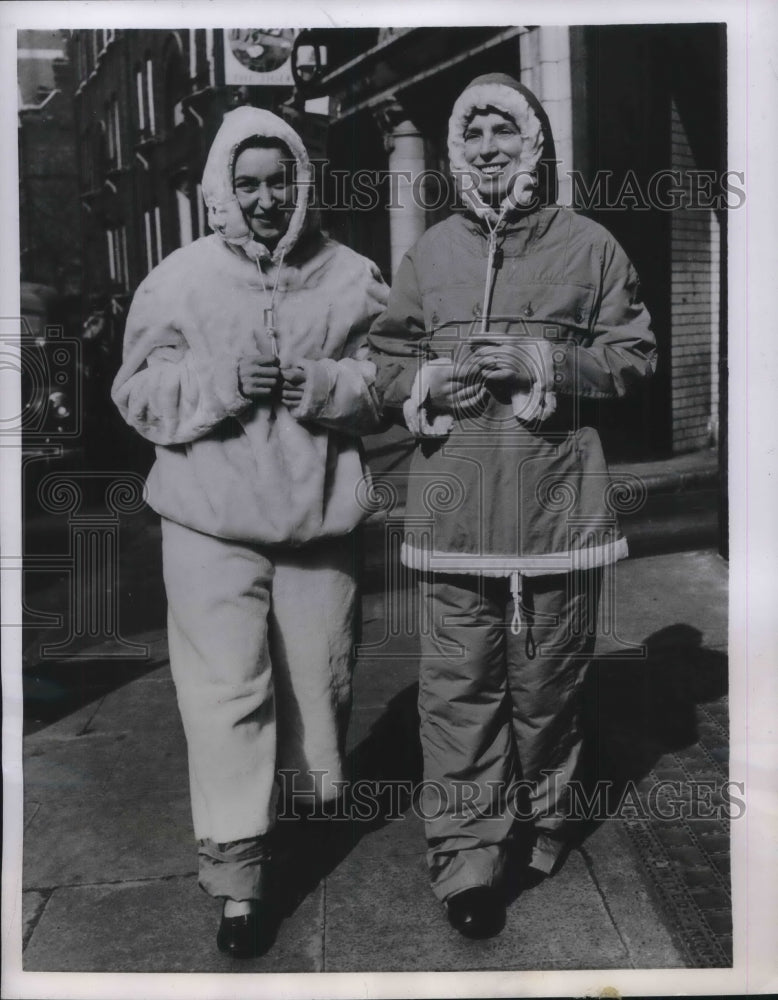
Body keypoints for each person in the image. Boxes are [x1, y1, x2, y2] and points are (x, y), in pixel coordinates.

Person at [367, 74, 657, 938]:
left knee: (547, 689)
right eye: (475, 134)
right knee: (457, 692)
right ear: (459, 153)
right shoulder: (428, 256)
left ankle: (545, 819)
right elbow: (385, 361)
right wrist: (424, 380)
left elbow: (634, 355)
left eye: (505, 131)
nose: (490, 147)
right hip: (455, 516)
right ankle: (466, 859)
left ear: (534, 146)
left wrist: (543, 364)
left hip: (557, 511)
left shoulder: (592, 248)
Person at [112, 106, 388, 958]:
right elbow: (136, 394)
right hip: (207, 520)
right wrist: (221, 380)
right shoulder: (179, 280)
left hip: (318, 520)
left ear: (301, 184)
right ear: (222, 190)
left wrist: (325, 385)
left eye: (280, 182)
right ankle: (237, 879)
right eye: (248, 184)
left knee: (318, 688)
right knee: (225, 693)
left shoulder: (351, 276)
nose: (265, 200)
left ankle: (292, 830)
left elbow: (389, 381)